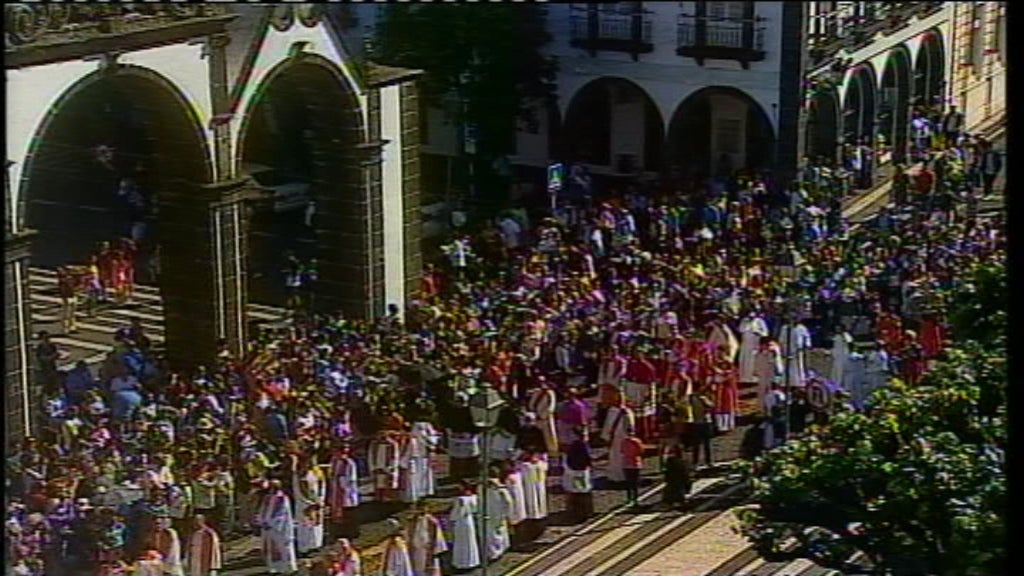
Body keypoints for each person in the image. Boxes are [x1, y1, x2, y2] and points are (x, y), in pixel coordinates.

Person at [257, 480, 297, 575]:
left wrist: (271, 523)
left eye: (273, 487)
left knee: (283, 548)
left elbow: (282, 514)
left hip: (280, 528)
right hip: (268, 528)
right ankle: (274, 568)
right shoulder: (267, 498)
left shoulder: (282, 498)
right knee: (271, 548)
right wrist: (261, 520)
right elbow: (262, 510)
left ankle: (288, 568)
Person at [599, 396, 635, 483]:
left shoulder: (614, 411)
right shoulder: (628, 411)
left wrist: (606, 436)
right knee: (620, 457)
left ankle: (617, 476)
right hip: (621, 437)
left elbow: (609, 425)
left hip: (618, 437)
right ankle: (620, 475)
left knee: (616, 457)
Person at [447, 482, 480, 573]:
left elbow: (455, 513)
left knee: (461, 543)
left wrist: (451, 519)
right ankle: (472, 561)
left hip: (460, 522)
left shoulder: (460, 499)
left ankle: (461, 563)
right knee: (470, 542)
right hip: (469, 520)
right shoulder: (474, 498)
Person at [563, 427, 593, 522]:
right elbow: (588, 458)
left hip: (575, 471)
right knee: (583, 491)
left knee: (577, 491)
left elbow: (569, 459)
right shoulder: (583, 445)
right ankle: (585, 512)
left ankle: (577, 512)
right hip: (582, 471)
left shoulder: (574, 445)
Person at [407, 501, 446, 576]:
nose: (421, 510)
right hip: (416, 550)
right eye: (419, 508)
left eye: (424, 508)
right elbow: (409, 533)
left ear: (427, 509)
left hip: (428, 549)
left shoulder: (432, 522)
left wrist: (435, 550)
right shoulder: (413, 520)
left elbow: (437, 537)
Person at [620, 427, 644, 507]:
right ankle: (635, 499)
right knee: (635, 483)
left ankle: (629, 498)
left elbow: (622, 451)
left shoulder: (624, 442)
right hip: (635, 464)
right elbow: (641, 451)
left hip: (626, 464)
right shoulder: (637, 441)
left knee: (629, 483)